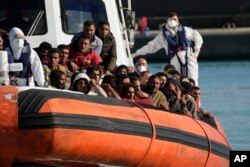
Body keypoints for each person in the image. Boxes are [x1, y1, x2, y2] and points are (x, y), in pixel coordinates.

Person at [132, 12, 203, 85]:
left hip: (189, 58)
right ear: (167, 21)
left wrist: (197, 51)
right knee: (176, 82)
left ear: (178, 20)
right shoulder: (163, 36)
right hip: (174, 60)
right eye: (170, 19)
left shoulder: (186, 30)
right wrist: (137, 52)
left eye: (174, 19)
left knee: (193, 81)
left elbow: (198, 38)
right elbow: (151, 47)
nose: (172, 21)